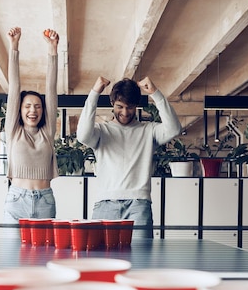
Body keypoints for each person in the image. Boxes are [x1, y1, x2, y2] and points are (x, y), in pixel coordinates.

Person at [76, 76, 181, 238]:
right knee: (102, 260)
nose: (125, 112)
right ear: (112, 104)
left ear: (136, 106)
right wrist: (94, 93)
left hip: (138, 205)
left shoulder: (149, 130)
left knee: (140, 260)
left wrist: (155, 93)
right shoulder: (101, 131)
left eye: (130, 107)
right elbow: (82, 135)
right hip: (106, 204)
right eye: (120, 106)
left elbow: (174, 129)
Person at [3, 26, 60, 227]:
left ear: (43, 111)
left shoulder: (47, 132)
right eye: (27, 106)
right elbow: (14, 88)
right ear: (19, 110)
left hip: (45, 201)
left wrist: (53, 50)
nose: (32, 110)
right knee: (12, 258)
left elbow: (51, 90)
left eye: (37, 106)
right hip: (17, 200)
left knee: (43, 258)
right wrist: (14, 46)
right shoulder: (13, 131)